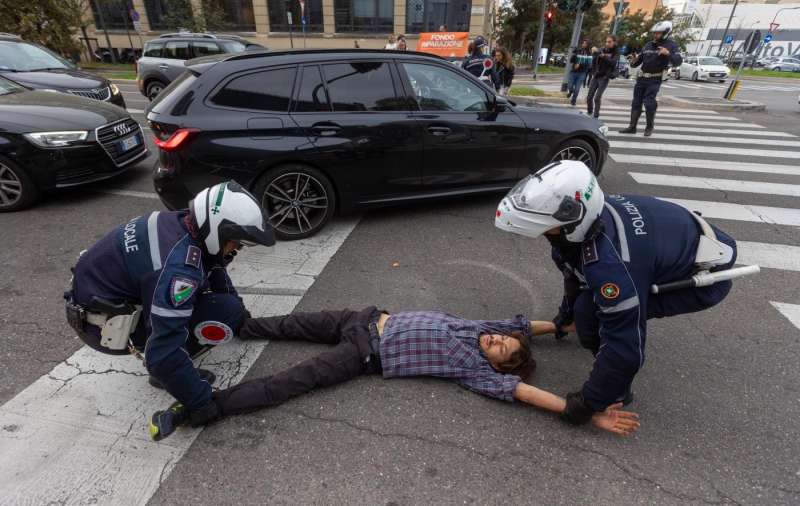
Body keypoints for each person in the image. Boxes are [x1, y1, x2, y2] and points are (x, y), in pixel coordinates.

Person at [148, 307, 639, 440]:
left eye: (502, 349)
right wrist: (559, 325)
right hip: (363, 316)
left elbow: (526, 391)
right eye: (500, 339)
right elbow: (518, 323)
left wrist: (581, 409)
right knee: (289, 324)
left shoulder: (475, 370)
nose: (496, 341)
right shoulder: (479, 329)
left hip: (365, 355)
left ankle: (204, 408)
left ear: (498, 365)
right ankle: (227, 323)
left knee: (289, 382)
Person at [495, 160, 738, 426]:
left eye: (546, 225)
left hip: (704, 276)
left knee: (592, 318)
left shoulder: (610, 267)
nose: (540, 231)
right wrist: (564, 316)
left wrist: (588, 404)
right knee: (585, 309)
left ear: (572, 222)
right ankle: (598, 353)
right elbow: (575, 275)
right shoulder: (587, 220)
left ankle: (618, 391)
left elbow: (626, 348)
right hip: (673, 241)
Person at [64, 181, 275, 428]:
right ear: (218, 231)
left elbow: (213, 264)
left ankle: (173, 365)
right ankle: (165, 376)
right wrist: (200, 402)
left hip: (100, 303)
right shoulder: (179, 269)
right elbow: (162, 352)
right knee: (223, 313)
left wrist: (241, 314)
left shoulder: (182, 224)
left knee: (232, 309)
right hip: (105, 329)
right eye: (237, 242)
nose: (237, 248)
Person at [619, 21, 682, 136]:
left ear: (666, 33)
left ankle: (649, 127)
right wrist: (633, 60)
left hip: (655, 79)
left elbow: (678, 61)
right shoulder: (648, 45)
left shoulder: (671, 45)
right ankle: (632, 127)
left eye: (658, 33)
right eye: (655, 33)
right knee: (636, 103)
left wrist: (668, 53)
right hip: (641, 78)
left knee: (649, 102)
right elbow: (637, 63)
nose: (655, 35)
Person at [586, 35, 620, 118]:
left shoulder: (616, 52)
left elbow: (613, 63)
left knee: (597, 98)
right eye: (606, 41)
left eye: (609, 42)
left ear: (614, 42)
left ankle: (596, 115)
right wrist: (593, 51)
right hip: (596, 76)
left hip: (604, 77)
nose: (607, 43)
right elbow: (594, 58)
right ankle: (590, 111)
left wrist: (604, 56)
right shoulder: (602, 49)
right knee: (589, 97)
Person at [566, 40, 592, 106]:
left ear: (588, 45)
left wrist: (580, 64)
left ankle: (573, 100)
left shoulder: (589, 53)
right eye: (583, 43)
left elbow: (589, 64)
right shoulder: (578, 51)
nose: (583, 44)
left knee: (577, 88)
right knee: (570, 86)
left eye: (585, 43)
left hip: (582, 73)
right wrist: (574, 55)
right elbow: (571, 60)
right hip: (573, 72)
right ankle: (571, 91)